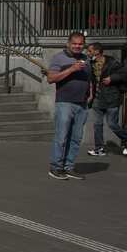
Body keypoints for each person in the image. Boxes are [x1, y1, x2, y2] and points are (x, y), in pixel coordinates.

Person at [46, 32, 93, 180]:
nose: (78, 46)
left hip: (82, 103)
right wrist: (71, 69)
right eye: (75, 43)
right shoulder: (59, 58)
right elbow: (51, 78)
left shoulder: (86, 59)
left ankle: (68, 167)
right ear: (68, 43)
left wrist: (90, 92)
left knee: (76, 138)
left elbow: (89, 78)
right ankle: (56, 167)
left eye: (80, 44)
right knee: (61, 137)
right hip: (65, 102)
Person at [86, 42, 127, 157]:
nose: (87, 53)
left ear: (97, 51)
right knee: (97, 124)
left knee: (112, 123)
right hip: (97, 99)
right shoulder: (89, 63)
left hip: (112, 98)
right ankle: (99, 148)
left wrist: (112, 78)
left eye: (89, 51)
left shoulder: (112, 63)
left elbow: (126, 75)